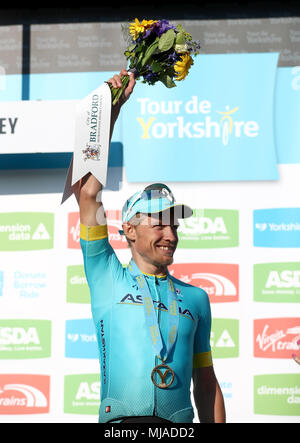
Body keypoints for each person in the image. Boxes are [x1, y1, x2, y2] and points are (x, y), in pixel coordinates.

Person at [75, 70, 226, 423]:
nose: (170, 234)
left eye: (173, 224)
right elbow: (88, 194)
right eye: (158, 224)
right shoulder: (106, 274)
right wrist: (111, 112)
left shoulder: (195, 298)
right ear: (129, 230)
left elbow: (205, 382)